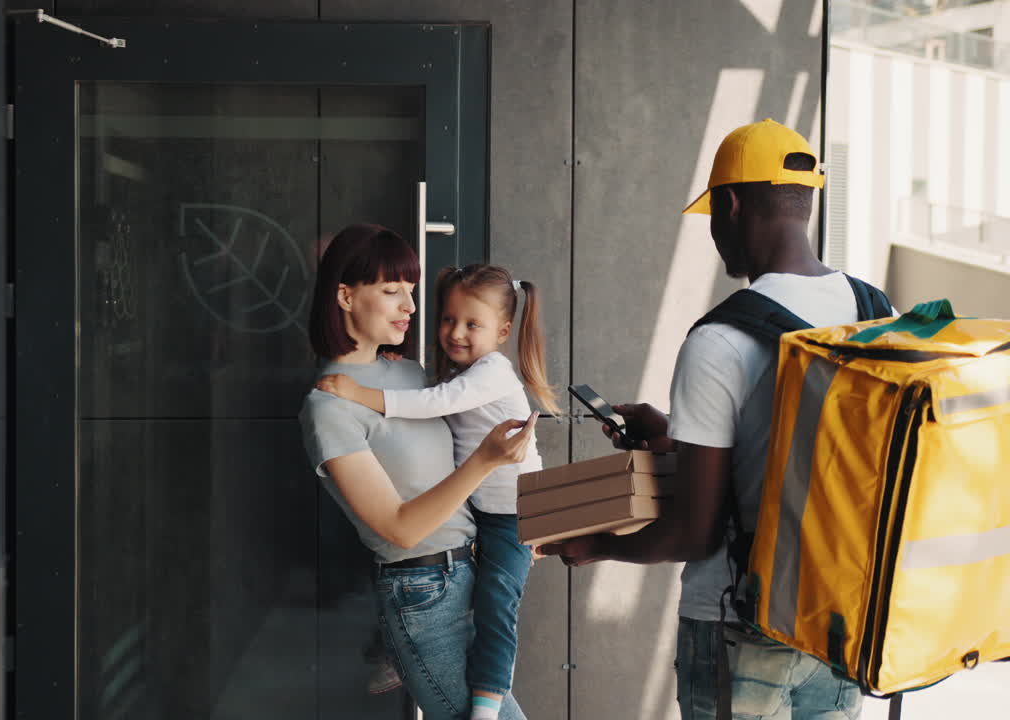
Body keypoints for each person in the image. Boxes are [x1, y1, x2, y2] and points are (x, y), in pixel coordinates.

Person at [538, 119, 867, 719]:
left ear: (730, 204)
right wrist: (675, 435)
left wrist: (600, 544)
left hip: (737, 625)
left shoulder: (719, 339)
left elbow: (696, 534)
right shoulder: (874, 311)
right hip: (838, 619)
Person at [299, 224, 537, 719]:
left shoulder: (409, 373)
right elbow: (400, 529)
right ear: (345, 296)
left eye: (411, 290)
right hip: (421, 592)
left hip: (474, 568)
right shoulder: (328, 407)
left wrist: (517, 530)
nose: (410, 305)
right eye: (392, 291)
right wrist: (487, 460)